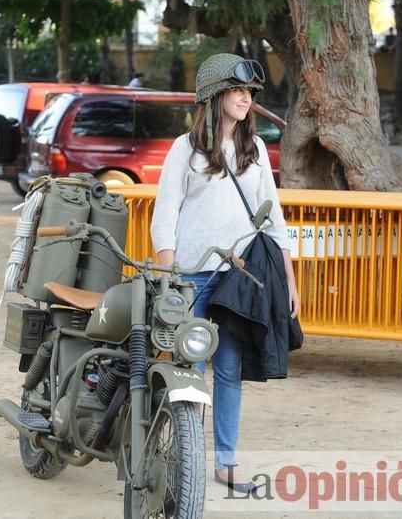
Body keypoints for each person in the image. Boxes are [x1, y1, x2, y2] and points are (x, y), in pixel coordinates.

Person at [150, 53, 299, 494]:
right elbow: (165, 215)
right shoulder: (186, 149)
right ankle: (184, 456)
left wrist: (290, 283)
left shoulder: (254, 153)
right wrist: (168, 275)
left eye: (249, 92)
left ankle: (227, 465)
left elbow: (275, 224)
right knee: (189, 371)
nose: (245, 98)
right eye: (237, 90)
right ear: (214, 95)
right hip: (192, 277)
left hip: (239, 280)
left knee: (230, 370)